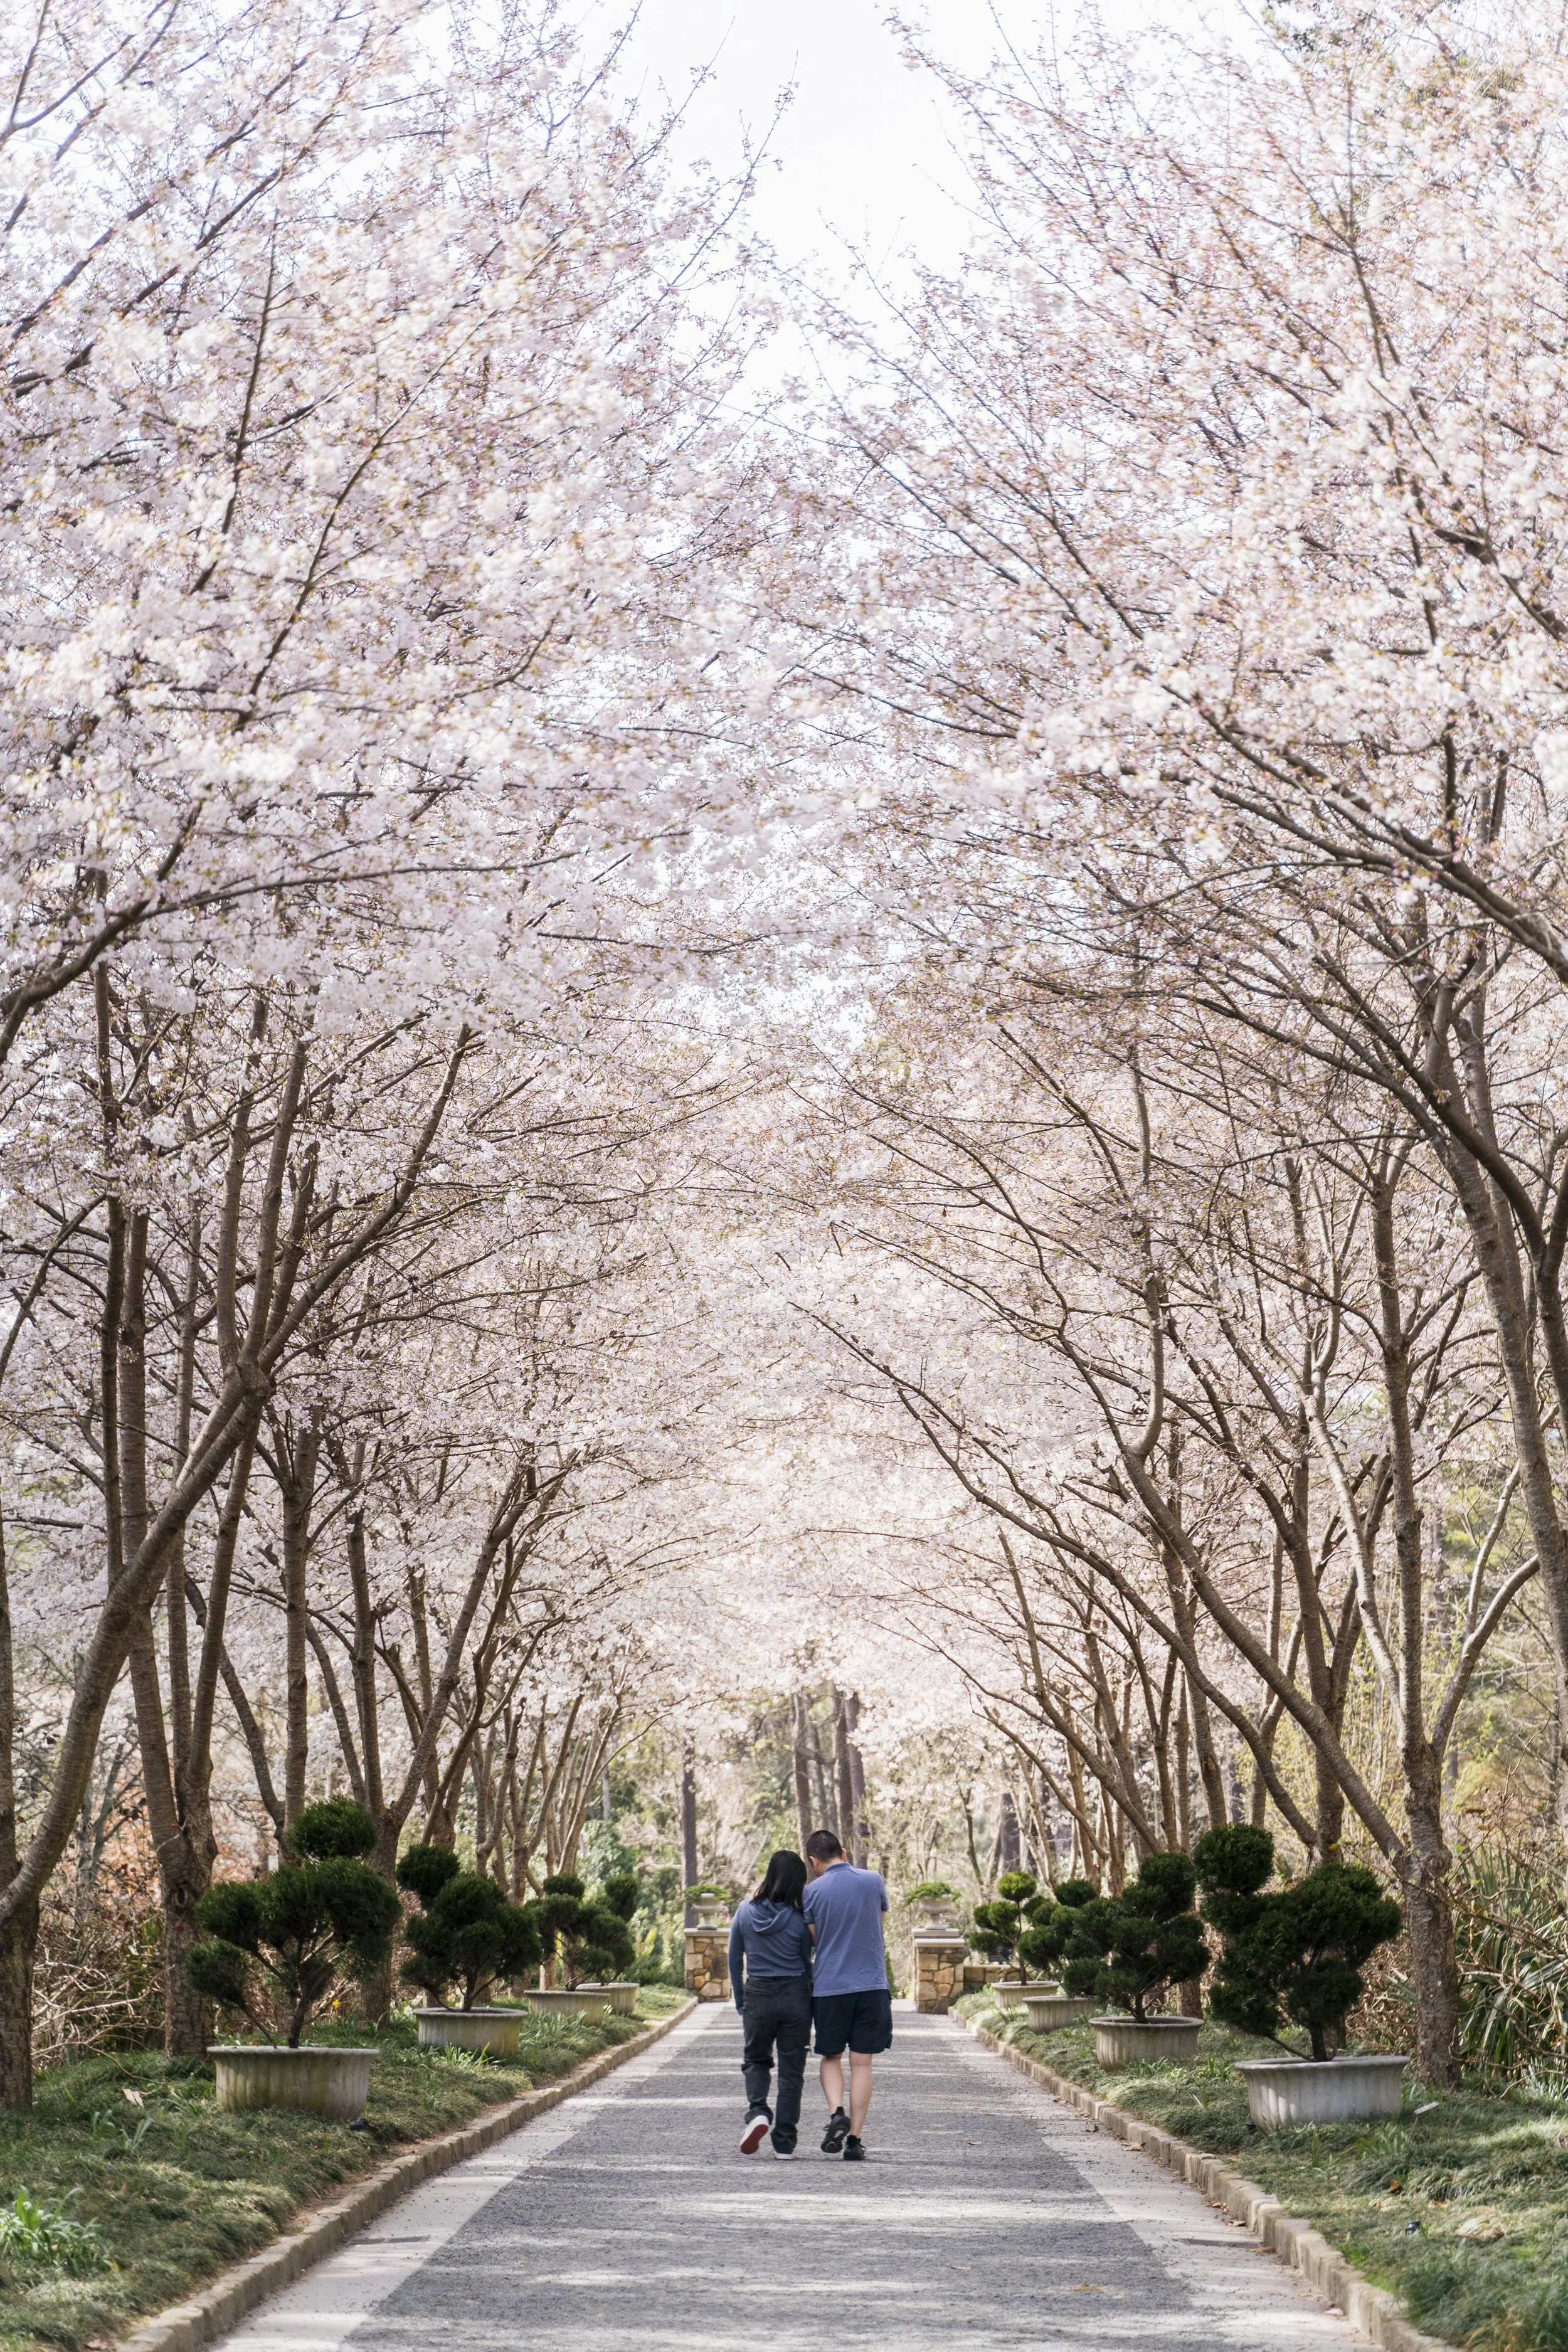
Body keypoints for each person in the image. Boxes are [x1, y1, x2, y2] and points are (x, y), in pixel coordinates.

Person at [802, 1828, 891, 2161]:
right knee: (862, 2063)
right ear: (843, 1851)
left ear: (813, 1861)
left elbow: (813, 1939)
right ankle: (854, 2139)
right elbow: (878, 1927)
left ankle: (836, 2111)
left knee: (831, 2057)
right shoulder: (873, 1880)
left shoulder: (811, 1892)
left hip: (830, 1988)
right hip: (871, 1985)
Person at [728, 1849, 812, 2158]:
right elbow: (807, 1961)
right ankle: (785, 2144)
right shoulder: (801, 1918)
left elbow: (734, 1959)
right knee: (792, 2071)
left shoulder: (744, 1911)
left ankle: (759, 2112)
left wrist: (741, 1999)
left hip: (758, 1994)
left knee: (756, 2059)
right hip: (795, 1995)